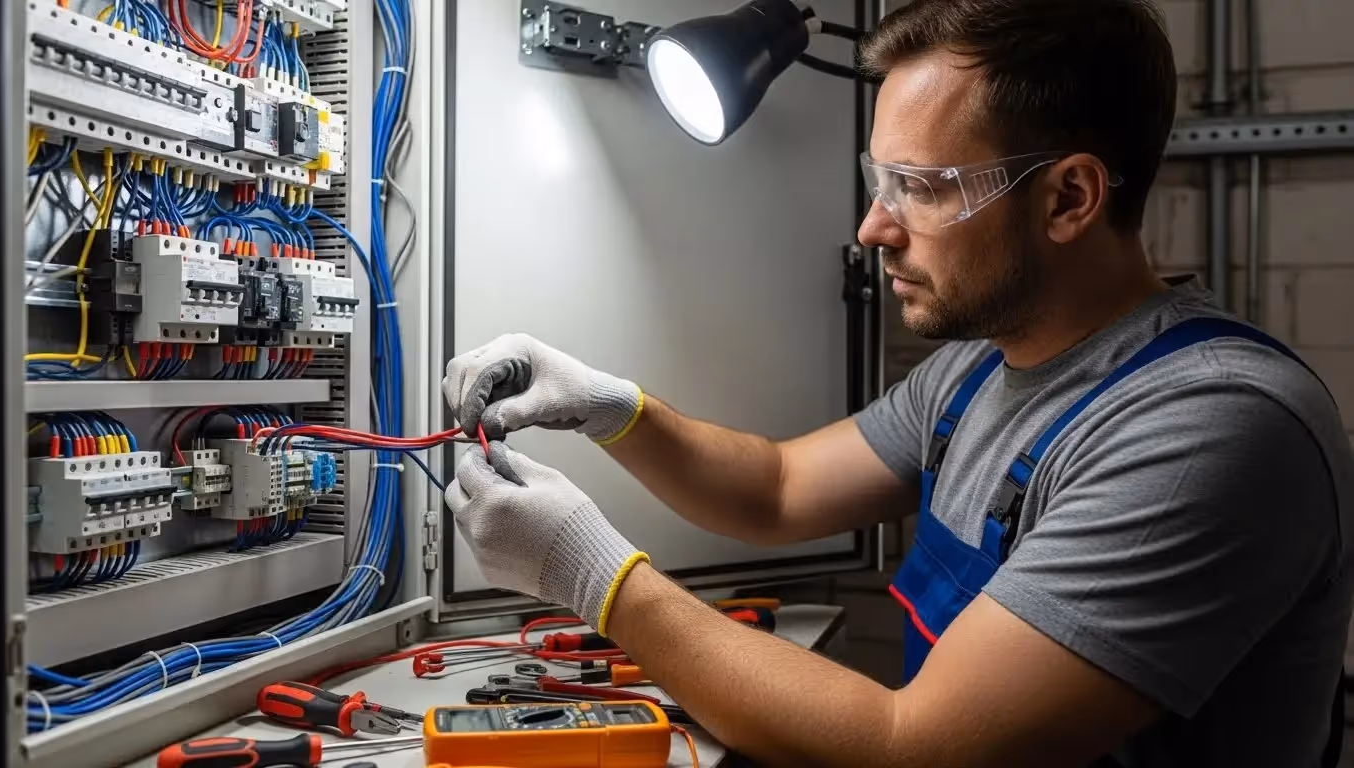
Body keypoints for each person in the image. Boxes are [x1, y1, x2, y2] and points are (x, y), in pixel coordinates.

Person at [442, 0, 1354, 765]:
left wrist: (590, 572)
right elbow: (778, 488)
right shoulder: (977, 366)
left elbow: (912, 746)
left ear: (1070, 198)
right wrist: (611, 408)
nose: (873, 228)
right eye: (880, 180)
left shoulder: (1209, 429)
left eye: (920, 186)